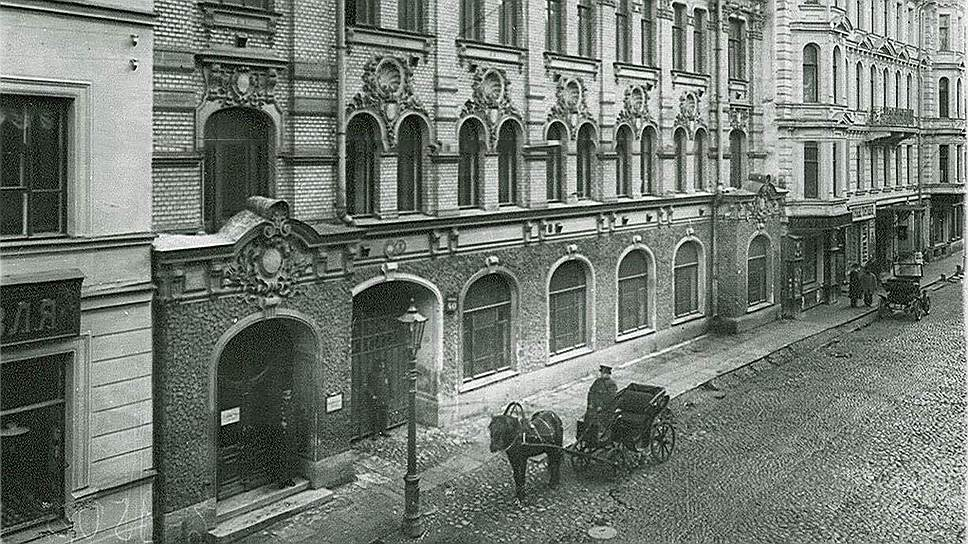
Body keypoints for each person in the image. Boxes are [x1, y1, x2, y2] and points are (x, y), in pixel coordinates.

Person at [584, 365, 617, 442]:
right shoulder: (597, 382)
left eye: (604, 373)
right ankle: (588, 436)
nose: (602, 375)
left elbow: (610, 399)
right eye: (602, 373)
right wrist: (590, 404)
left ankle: (602, 437)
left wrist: (601, 406)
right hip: (594, 407)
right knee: (588, 417)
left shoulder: (611, 384)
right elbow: (591, 393)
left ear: (608, 374)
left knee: (601, 421)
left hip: (606, 410)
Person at [366, 360, 390, 438]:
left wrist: (389, 394)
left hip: (384, 397)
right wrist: (372, 395)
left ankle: (383, 430)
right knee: (376, 416)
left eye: (383, 365)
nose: (382, 367)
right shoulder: (372, 375)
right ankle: (375, 432)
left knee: (384, 415)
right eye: (380, 365)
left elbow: (388, 385)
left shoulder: (385, 374)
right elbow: (368, 387)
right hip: (377, 398)